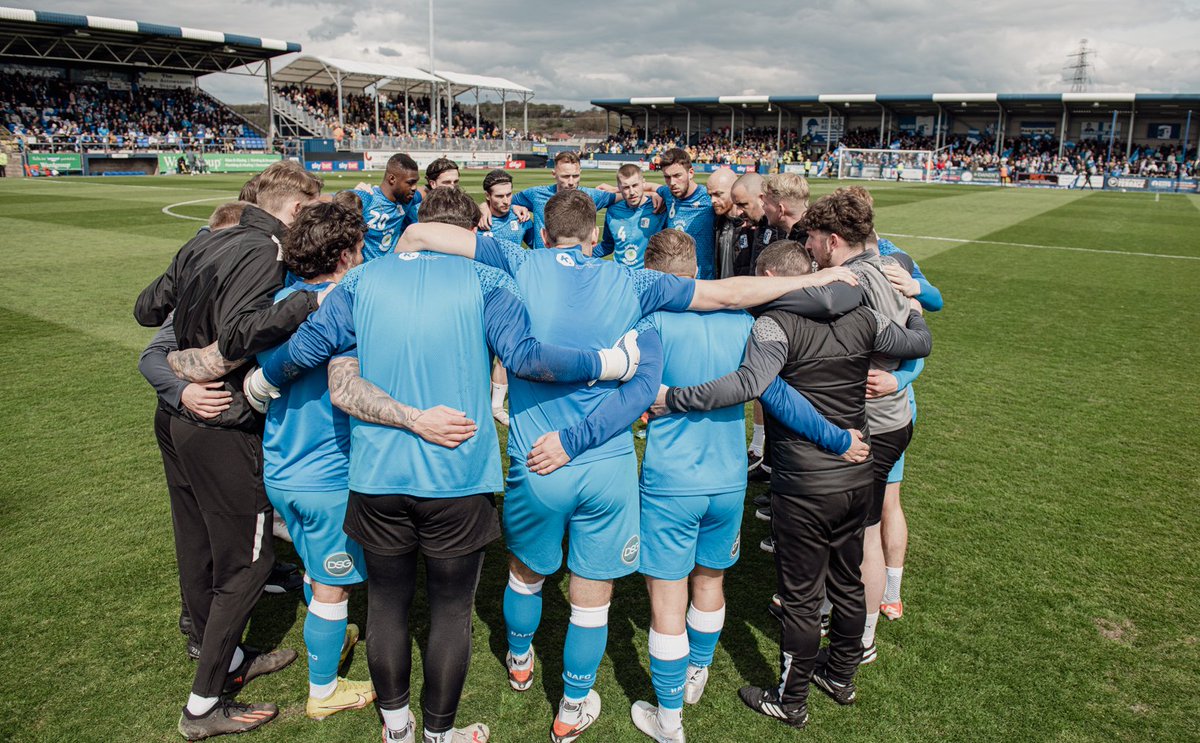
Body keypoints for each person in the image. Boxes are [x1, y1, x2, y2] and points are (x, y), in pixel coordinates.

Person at [397, 195, 860, 743]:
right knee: (593, 598)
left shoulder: (517, 261)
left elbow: (424, 235)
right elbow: (730, 293)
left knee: (525, 571)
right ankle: (572, 707)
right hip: (609, 463)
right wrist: (814, 280)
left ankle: (520, 661)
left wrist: (402, 251)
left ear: (545, 236)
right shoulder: (634, 283)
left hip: (537, 457)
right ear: (596, 238)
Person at [248, 187, 643, 743]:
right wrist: (609, 362)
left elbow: (313, 348)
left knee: (386, 607)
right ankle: (439, 734)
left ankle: (396, 729)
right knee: (451, 613)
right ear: (468, 235)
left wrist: (263, 380)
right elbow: (526, 357)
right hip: (459, 472)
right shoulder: (489, 281)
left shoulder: (363, 279)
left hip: (377, 474)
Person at [657, 239, 932, 730]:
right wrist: (914, 307)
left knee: (802, 597)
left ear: (773, 278)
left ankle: (790, 698)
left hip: (805, 480)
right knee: (846, 581)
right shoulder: (864, 316)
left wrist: (673, 397)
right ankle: (842, 676)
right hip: (857, 469)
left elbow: (747, 385)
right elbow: (918, 345)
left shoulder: (771, 323)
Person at [623, 231, 868, 743]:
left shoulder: (650, 320)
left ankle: (669, 720)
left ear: (652, 273)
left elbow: (627, 393)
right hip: (730, 480)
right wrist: (837, 438)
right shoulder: (741, 321)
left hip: (672, 481)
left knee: (667, 598)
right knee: (710, 582)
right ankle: (697, 674)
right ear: (696, 268)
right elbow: (777, 394)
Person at [134, 161, 327, 740]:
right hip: (219, 422)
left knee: (196, 542)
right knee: (250, 561)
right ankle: (202, 707)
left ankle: (220, 652)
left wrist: (179, 370)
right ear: (292, 209)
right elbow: (243, 333)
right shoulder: (267, 248)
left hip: (177, 417)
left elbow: (147, 308)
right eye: (306, 215)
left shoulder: (205, 241)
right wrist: (312, 301)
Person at [257, 201, 377, 720]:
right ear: (347, 253)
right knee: (332, 582)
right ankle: (324, 690)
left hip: (281, 462)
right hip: (325, 472)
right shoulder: (347, 305)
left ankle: (330, 638)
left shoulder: (284, 299)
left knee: (313, 565)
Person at [801, 187, 924, 664]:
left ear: (833, 240)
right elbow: (915, 325)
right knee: (856, 528)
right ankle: (847, 615)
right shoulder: (885, 267)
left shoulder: (849, 283)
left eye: (812, 238)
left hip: (871, 422)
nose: (808, 246)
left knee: (863, 534)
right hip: (892, 418)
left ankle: (862, 639)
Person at [479, 169, 534, 427]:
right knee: (479, 350)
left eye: (509, 194)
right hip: (480, 295)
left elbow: (539, 248)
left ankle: (496, 405)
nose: (505, 200)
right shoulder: (477, 220)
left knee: (503, 351)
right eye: (498, 196)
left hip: (511, 295)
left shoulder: (521, 219)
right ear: (487, 197)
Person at [505, 151, 621, 250]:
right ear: (554, 174)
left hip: (576, 267)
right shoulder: (536, 194)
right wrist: (513, 207)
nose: (571, 182)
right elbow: (505, 201)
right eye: (565, 176)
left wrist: (616, 188)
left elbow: (633, 195)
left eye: (575, 176)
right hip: (543, 266)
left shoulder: (590, 195)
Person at [656, 149, 716, 279]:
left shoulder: (709, 198)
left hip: (704, 281)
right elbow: (650, 187)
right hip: (674, 281)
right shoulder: (667, 193)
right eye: (667, 177)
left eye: (677, 176)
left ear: (691, 173)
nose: (672, 183)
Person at [596, 164, 667, 269]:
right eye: (626, 187)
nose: (632, 192)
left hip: (649, 278)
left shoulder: (660, 207)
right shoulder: (613, 211)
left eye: (635, 185)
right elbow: (608, 245)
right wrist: (580, 254)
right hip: (621, 278)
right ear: (619, 188)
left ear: (643, 183)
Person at [359, 153, 421, 262]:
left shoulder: (407, 199)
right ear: (392, 179)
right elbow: (328, 199)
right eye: (410, 183)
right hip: (364, 272)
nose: (414, 188)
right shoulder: (367, 198)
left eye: (416, 182)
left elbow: (426, 191)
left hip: (389, 270)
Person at [706, 167, 742, 280]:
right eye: (710, 195)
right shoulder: (717, 221)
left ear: (734, 190)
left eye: (718, 194)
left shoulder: (751, 225)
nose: (713, 200)